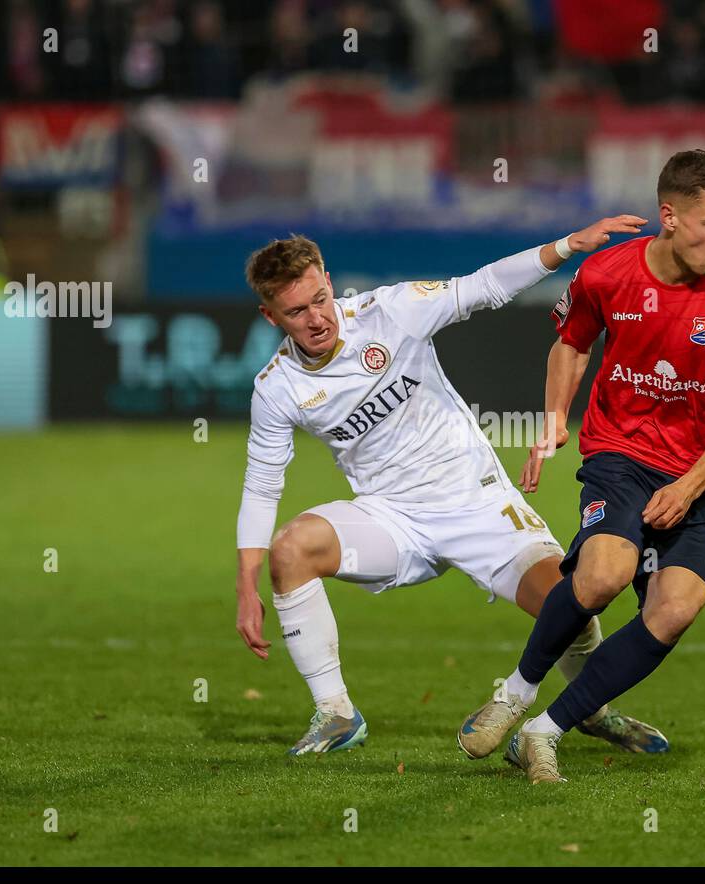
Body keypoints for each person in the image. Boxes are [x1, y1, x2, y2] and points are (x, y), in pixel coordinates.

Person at [234, 217, 672, 756]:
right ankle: (336, 714)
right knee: (290, 549)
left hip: (478, 504)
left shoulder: (391, 311)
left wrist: (565, 246)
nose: (316, 318)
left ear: (328, 278)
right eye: (296, 312)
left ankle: (594, 712)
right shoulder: (277, 388)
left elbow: (482, 286)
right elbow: (261, 486)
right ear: (270, 315)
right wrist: (245, 587)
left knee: (573, 602)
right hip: (392, 519)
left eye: (320, 298)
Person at [458, 149, 705, 783]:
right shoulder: (606, 274)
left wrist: (689, 487)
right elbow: (571, 343)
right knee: (604, 575)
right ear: (669, 216)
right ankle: (516, 691)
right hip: (621, 452)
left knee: (674, 610)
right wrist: (555, 417)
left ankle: (543, 733)